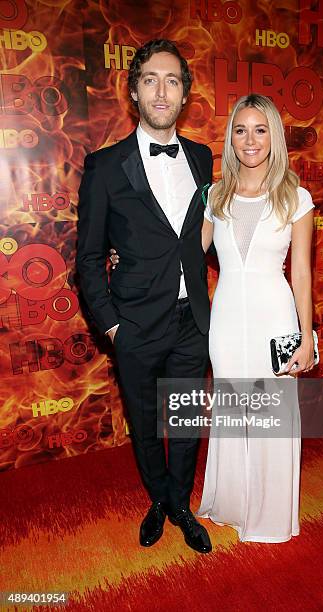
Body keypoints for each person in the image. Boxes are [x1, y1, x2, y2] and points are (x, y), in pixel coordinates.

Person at [76, 39, 213, 554]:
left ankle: (180, 502)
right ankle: (156, 497)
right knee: (145, 423)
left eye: (172, 81)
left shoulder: (201, 157)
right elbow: (88, 257)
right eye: (151, 80)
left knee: (183, 421)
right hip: (134, 323)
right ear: (134, 91)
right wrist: (112, 325)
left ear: (184, 95)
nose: (162, 91)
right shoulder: (105, 167)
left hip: (191, 321)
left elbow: (201, 231)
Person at [195, 94, 315, 542]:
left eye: (260, 129)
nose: (250, 140)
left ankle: (268, 515)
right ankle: (231, 503)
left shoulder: (295, 197)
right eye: (241, 130)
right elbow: (191, 253)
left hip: (274, 317)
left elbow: (301, 272)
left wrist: (305, 338)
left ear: (274, 137)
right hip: (225, 321)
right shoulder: (216, 195)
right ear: (231, 138)